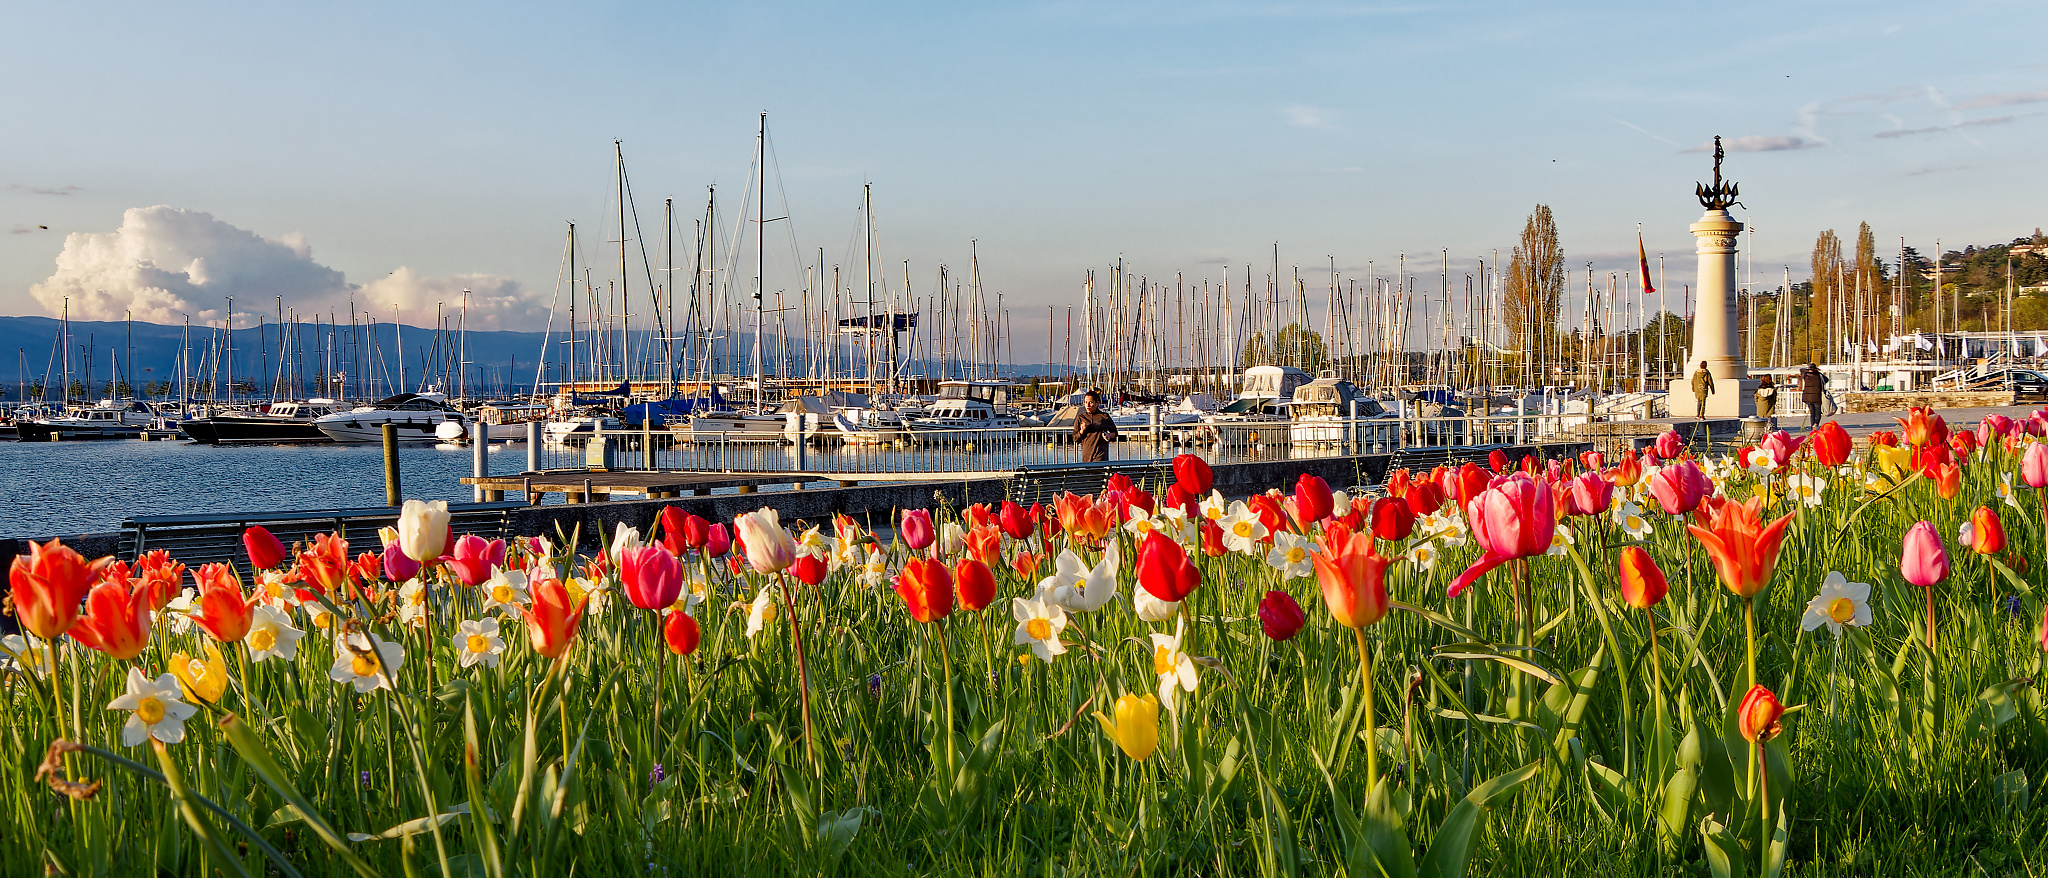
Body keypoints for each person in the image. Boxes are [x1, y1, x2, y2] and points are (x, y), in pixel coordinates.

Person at [1072, 388, 1119, 462]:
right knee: (1088, 472)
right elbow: (1075, 438)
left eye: (1090, 402)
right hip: (1087, 456)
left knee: (1098, 472)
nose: (1087, 405)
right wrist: (1082, 431)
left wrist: (1109, 435)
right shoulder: (1081, 417)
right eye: (1085, 402)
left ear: (1097, 403)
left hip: (1100, 455)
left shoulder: (1104, 416)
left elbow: (1115, 433)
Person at [1800, 363, 1828, 430]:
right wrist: (1818, 372)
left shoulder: (1806, 375)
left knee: (1812, 412)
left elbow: (1801, 370)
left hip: (1808, 397)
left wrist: (1807, 370)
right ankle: (1816, 424)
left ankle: (1812, 425)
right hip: (1817, 396)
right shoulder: (1819, 375)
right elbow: (1826, 380)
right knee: (1818, 412)